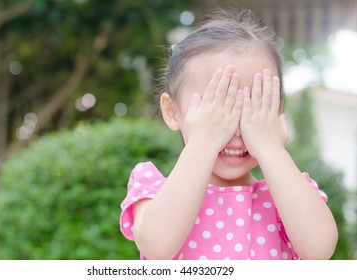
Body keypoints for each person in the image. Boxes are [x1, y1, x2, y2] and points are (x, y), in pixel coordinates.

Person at [119, 9, 338, 260]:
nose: (233, 130)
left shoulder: (287, 193)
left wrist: (270, 148)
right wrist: (204, 141)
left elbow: (320, 250)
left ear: (276, 114)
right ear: (172, 111)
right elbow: (157, 247)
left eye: (252, 108)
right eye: (218, 110)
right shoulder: (153, 187)